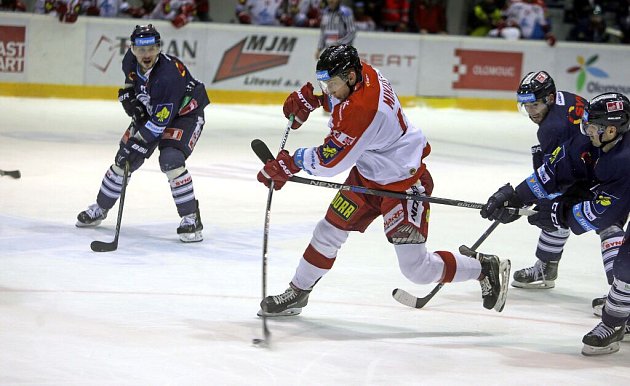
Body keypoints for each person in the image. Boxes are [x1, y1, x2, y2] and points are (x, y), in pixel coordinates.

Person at [255, 44, 511, 317]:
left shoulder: (363, 111)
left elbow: (331, 162)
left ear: (351, 77)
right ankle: (299, 291)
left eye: (332, 84)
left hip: (403, 184)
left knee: (417, 269)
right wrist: (317, 101)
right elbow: (342, 104)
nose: (328, 89)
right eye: (324, 83)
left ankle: (485, 268)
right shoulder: (362, 72)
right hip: (367, 177)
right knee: (328, 232)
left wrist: (290, 163)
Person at [480, 92, 630, 355]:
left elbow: (605, 212)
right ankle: (618, 318)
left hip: (620, 193)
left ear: (611, 129)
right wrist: (514, 196)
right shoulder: (589, 143)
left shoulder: (624, 159)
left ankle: (617, 317)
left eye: (592, 126)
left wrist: (559, 214)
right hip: (616, 190)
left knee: (627, 264)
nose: (586, 130)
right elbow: (552, 172)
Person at [76, 25, 209, 243]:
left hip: (185, 115)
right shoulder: (130, 59)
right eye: (140, 49)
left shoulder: (168, 76)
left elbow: (159, 124)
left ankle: (191, 218)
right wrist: (130, 96)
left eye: (151, 49)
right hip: (156, 111)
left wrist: (136, 141)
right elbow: (131, 81)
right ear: (132, 49)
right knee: (123, 160)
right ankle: (100, 208)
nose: (146, 55)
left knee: (171, 160)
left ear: (158, 48)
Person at [508, 72, 624, 317]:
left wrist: (554, 206)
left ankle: (622, 297)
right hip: (593, 159)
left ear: (550, 98)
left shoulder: (553, 129)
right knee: (554, 206)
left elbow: (560, 174)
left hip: (596, 167)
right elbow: (558, 167)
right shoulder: (566, 100)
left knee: (606, 224)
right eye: (526, 106)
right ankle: (547, 267)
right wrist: (520, 195)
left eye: (535, 104)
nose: (530, 112)